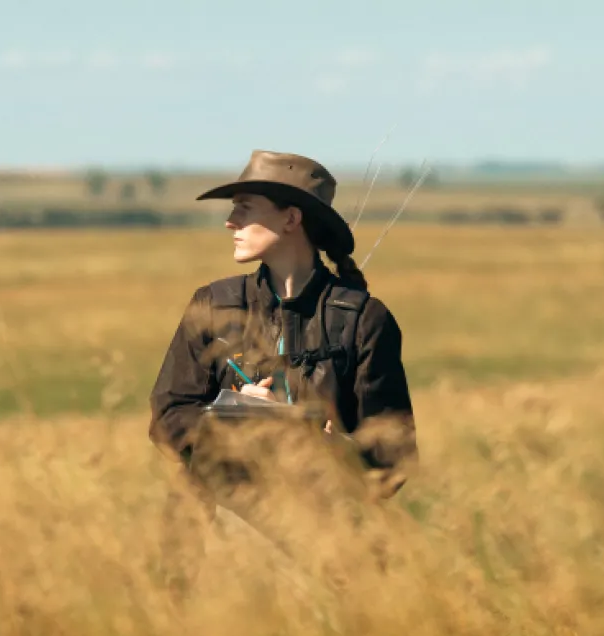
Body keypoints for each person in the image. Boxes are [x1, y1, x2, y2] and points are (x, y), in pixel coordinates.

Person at [146, 150, 418, 527]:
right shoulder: (213, 304)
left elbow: (394, 459)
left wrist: (335, 450)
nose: (230, 222)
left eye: (244, 207)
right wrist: (235, 418)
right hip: (226, 539)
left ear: (291, 218)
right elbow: (167, 417)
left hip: (333, 543)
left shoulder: (365, 320)